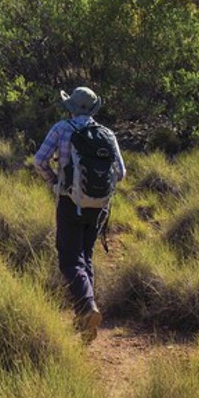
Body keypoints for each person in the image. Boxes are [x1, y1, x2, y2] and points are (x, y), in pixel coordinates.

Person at [33, 86, 126, 342]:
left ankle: (87, 308)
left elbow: (39, 160)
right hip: (99, 206)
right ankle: (84, 320)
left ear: (71, 107)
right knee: (85, 256)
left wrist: (55, 182)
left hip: (69, 201)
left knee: (69, 259)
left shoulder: (61, 129)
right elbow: (120, 173)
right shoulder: (106, 133)